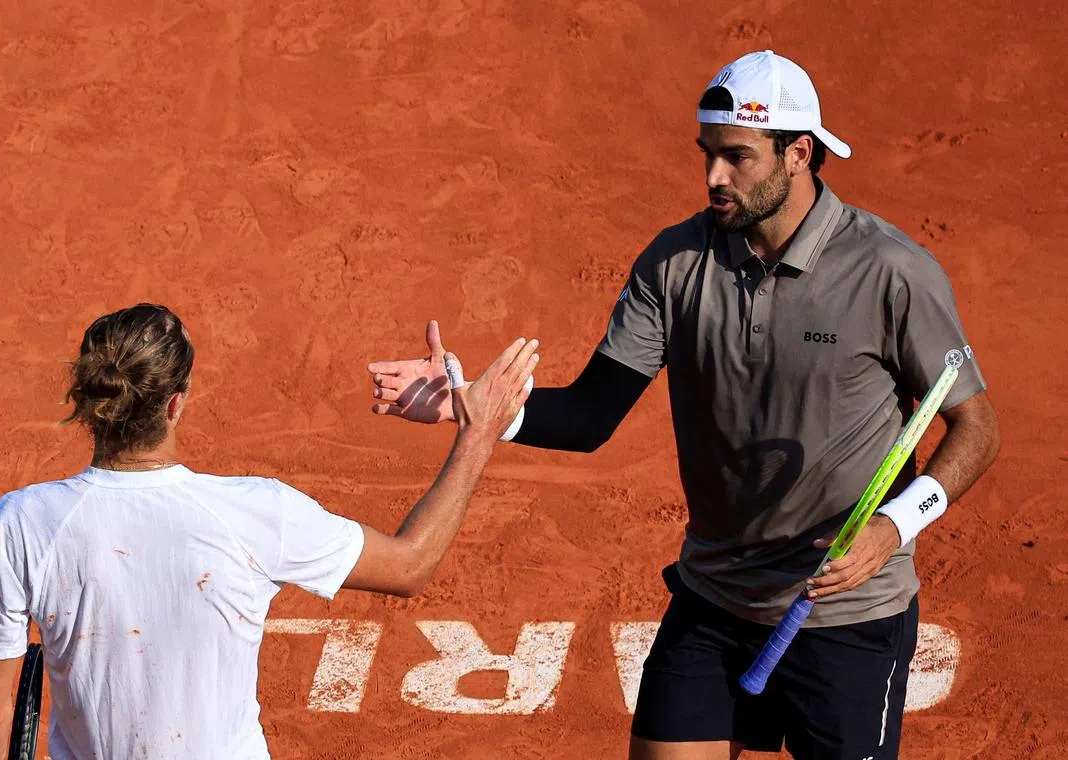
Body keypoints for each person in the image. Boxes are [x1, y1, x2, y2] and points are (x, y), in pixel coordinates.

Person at [367, 50, 1000, 759]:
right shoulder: (675, 264)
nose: (712, 179)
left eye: (736, 157)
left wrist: (891, 528)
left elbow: (975, 426)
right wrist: (473, 407)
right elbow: (589, 415)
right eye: (707, 155)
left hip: (845, 614)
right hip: (716, 601)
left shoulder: (890, 271)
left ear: (799, 154)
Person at [0, 303, 539, 760]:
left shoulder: (20, 523)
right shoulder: (259, 513)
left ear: (87, 398)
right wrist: (476, 433)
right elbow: (410, 565)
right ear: (177, 403)